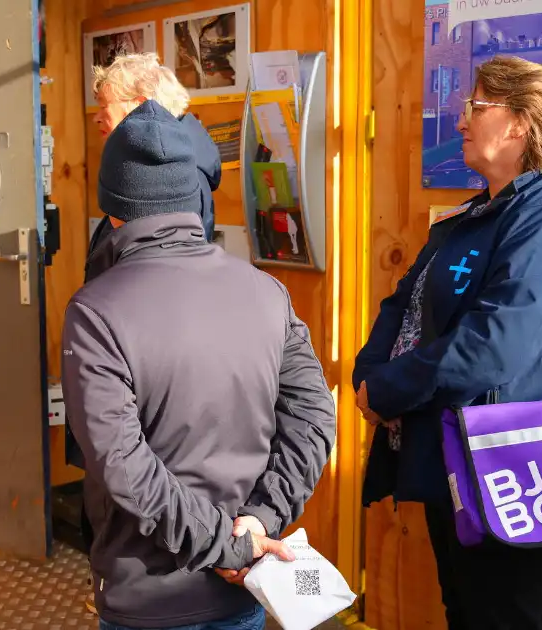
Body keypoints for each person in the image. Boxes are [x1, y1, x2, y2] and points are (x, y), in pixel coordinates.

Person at [354, 56, 542, 630]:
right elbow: (404, 303)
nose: (462, 120)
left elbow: (496, 342)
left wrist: (389, 390)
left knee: (499, 619)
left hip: (512, 467)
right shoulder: (473, 215)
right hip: (451, 460)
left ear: (522, 122)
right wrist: (367, 376)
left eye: (475, 107)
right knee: (465, 612)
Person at [62, 99, 338, 630]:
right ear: (193, 197)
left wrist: (224, 545)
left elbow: (121, 461)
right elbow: (313, 417)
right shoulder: (267, 291)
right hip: (244, 582)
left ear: (113, 209)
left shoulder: (95, 310)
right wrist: (255, 524)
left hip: (148, 595)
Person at [86, 52, 222, 281]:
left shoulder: (174, 173)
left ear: (139, 107)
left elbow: (168, 274)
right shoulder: (164, 163)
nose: (96, 118)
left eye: (104, 106)